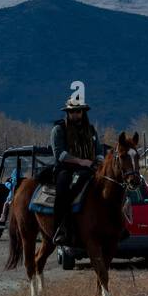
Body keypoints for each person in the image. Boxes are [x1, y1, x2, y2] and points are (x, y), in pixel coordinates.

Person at [49, 99, 106, 246]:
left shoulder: (91, 130)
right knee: (63, 192)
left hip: (89, 168)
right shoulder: (59, 129)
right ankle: (60, 228)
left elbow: (99, 151)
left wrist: (99, 162)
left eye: (78, 111)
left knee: (113, 187)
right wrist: (81, 161)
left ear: (83, 112)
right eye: (72, 111)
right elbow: (59, 154)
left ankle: (117, 224)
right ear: (67, 113)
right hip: (65, 168)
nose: (75, 114)